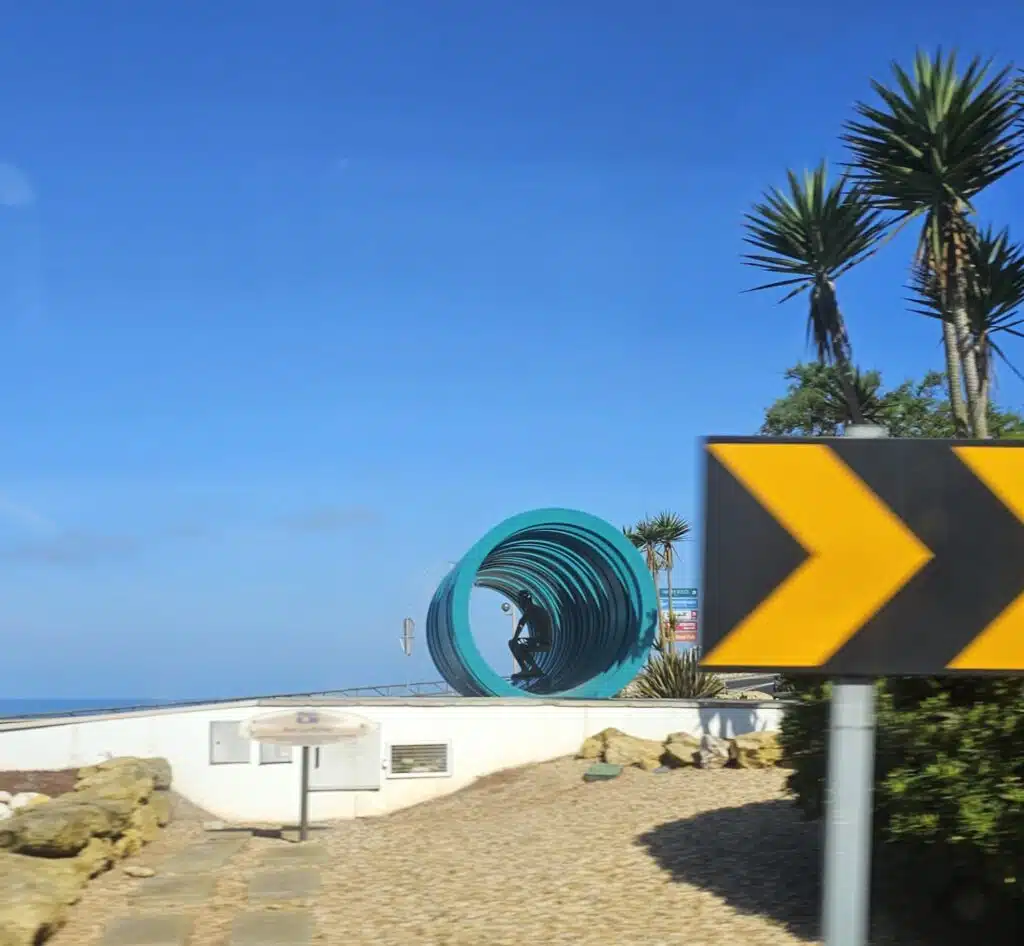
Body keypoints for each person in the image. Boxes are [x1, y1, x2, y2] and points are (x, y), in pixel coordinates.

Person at [509, 591, 553, 683]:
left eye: (520, 600)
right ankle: (529, 669)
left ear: (524, 600)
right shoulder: (535, 609)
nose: (519, 602)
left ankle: (533, 669)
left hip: (542, 642)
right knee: (515, 644)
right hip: (543, 641)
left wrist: (515, 639)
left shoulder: (531, 609)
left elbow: (521, 624)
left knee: (515, 644)